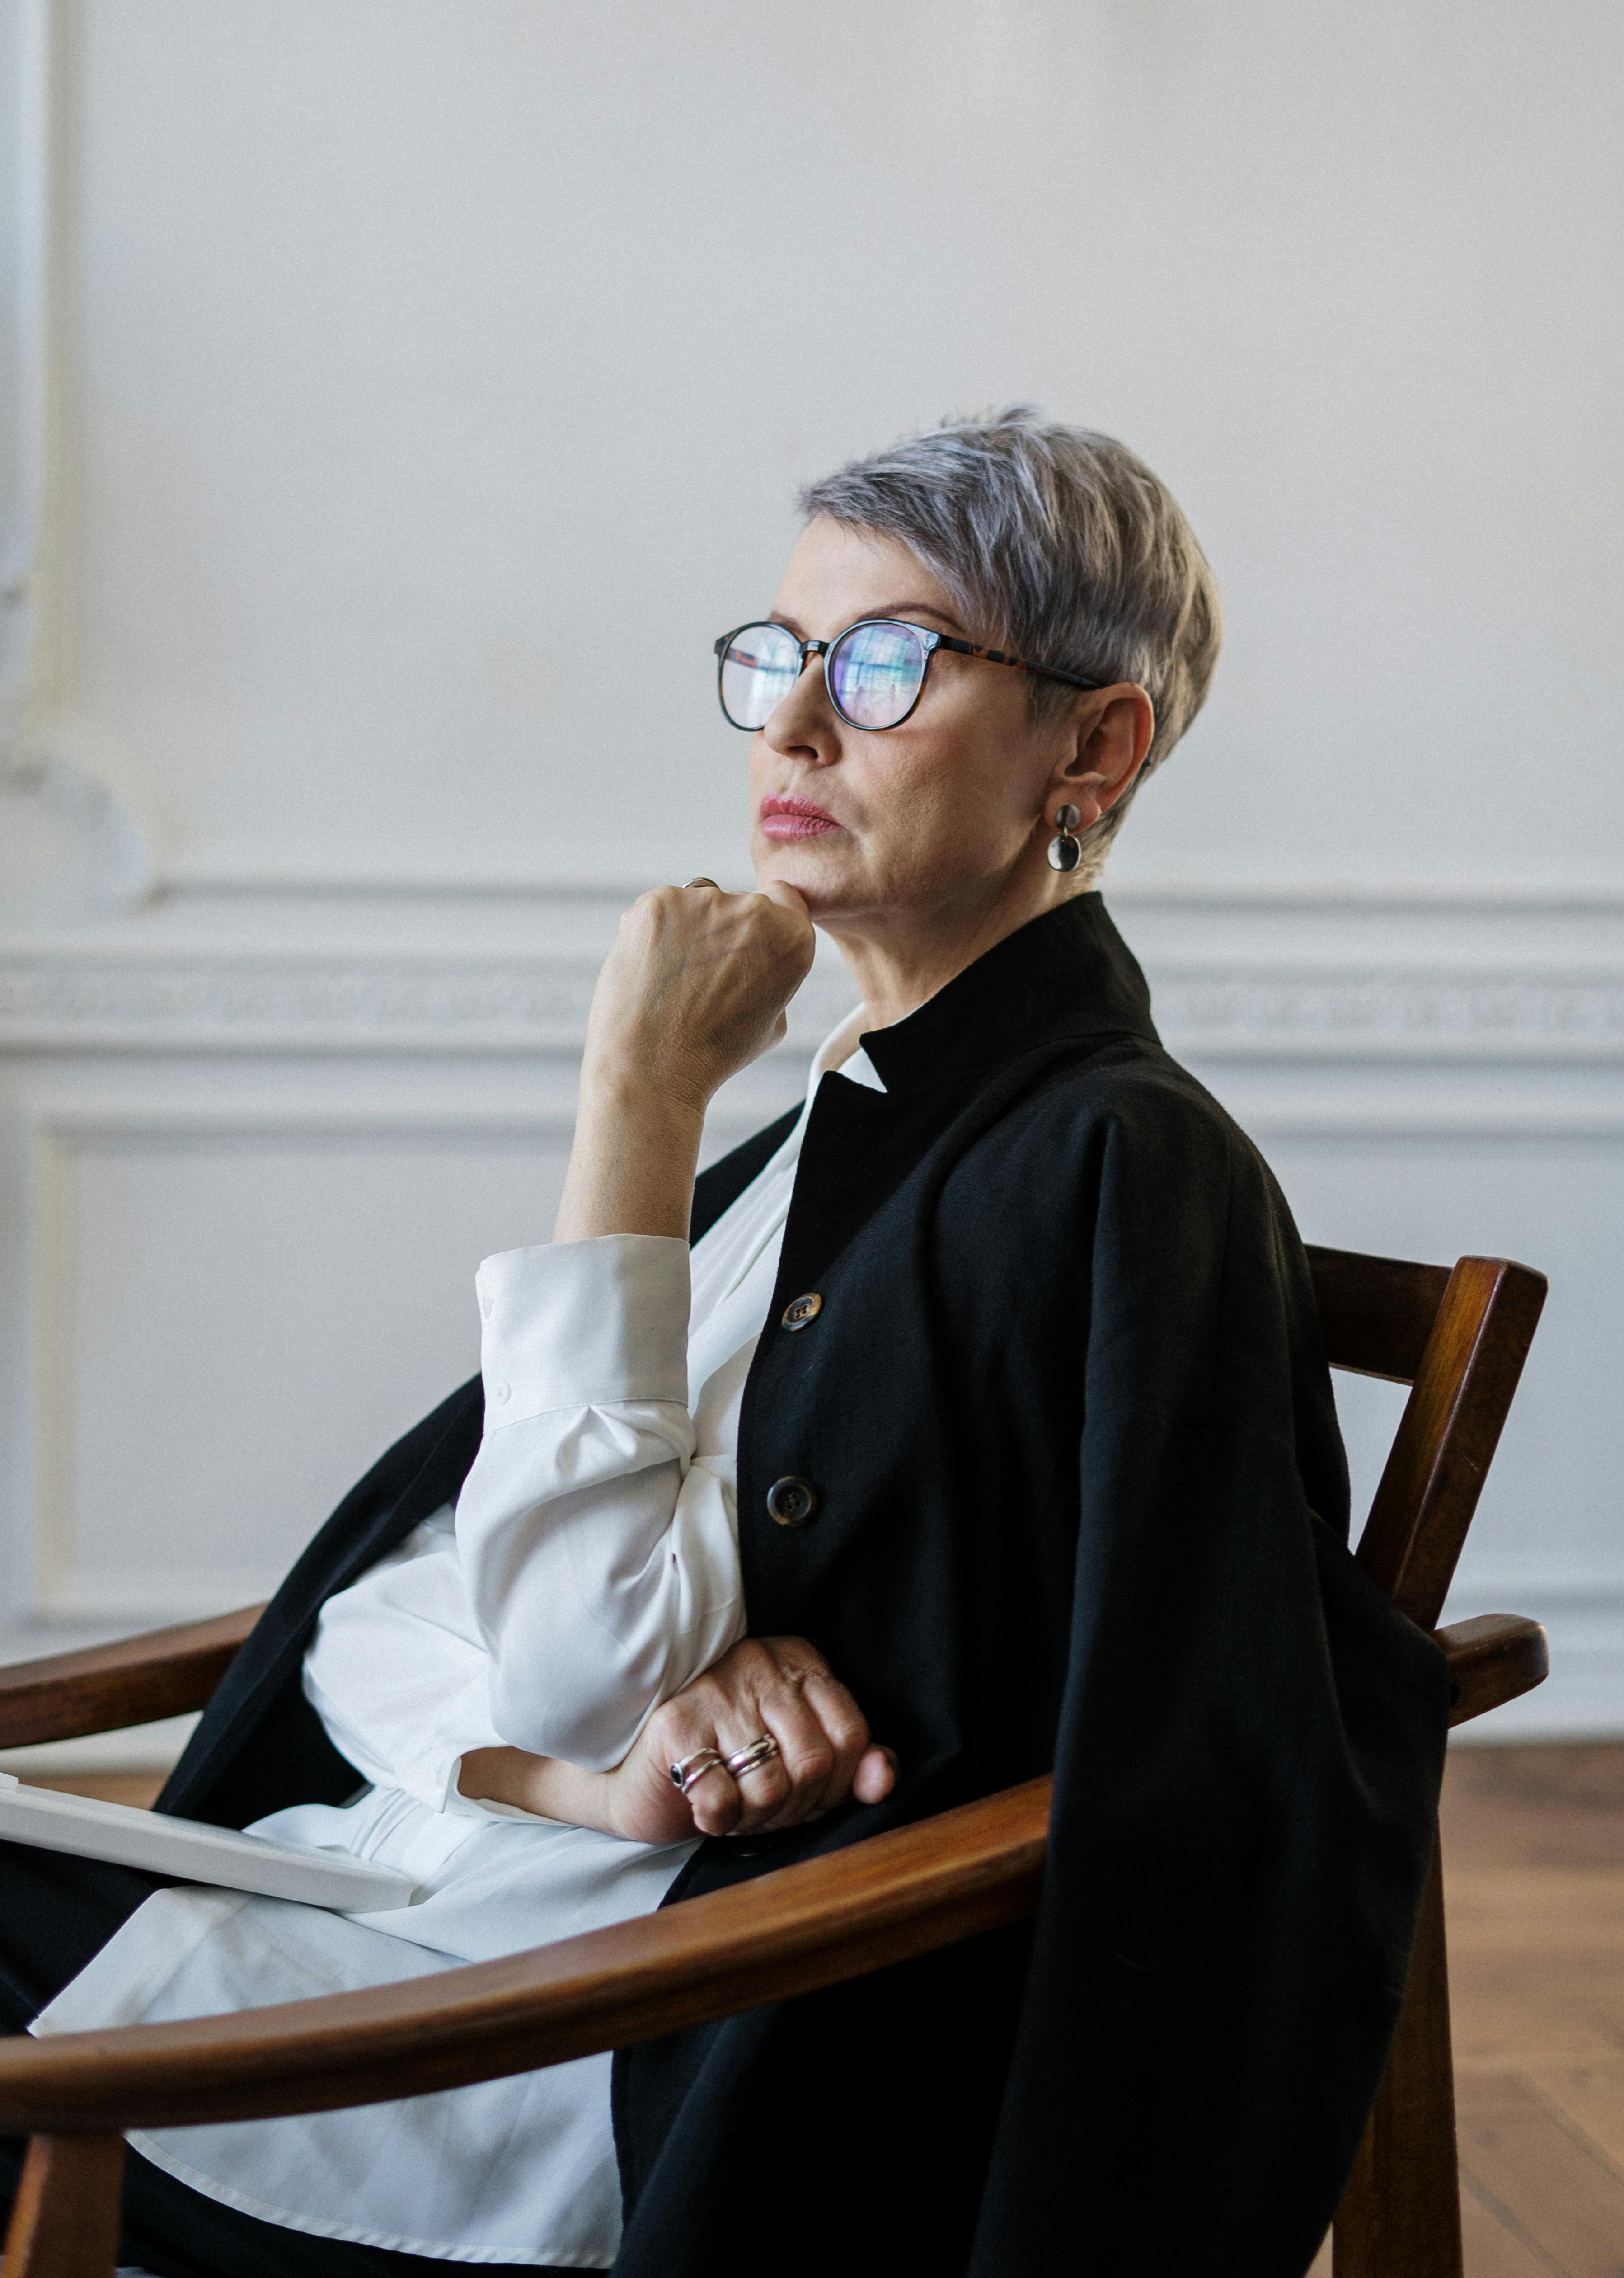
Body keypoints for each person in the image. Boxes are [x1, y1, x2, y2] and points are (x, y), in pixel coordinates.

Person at [0, 411, 1448, 2278]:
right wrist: (577, 1771)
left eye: (884, 662)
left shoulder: (1098, 1165)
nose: (788, 729)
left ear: (1092, 744)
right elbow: (404, 1611)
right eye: (779, 657)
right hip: (420, 1907)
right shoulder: (846, 1133)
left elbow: (589, 1647)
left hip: (563, 2065)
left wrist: (633, 1091)